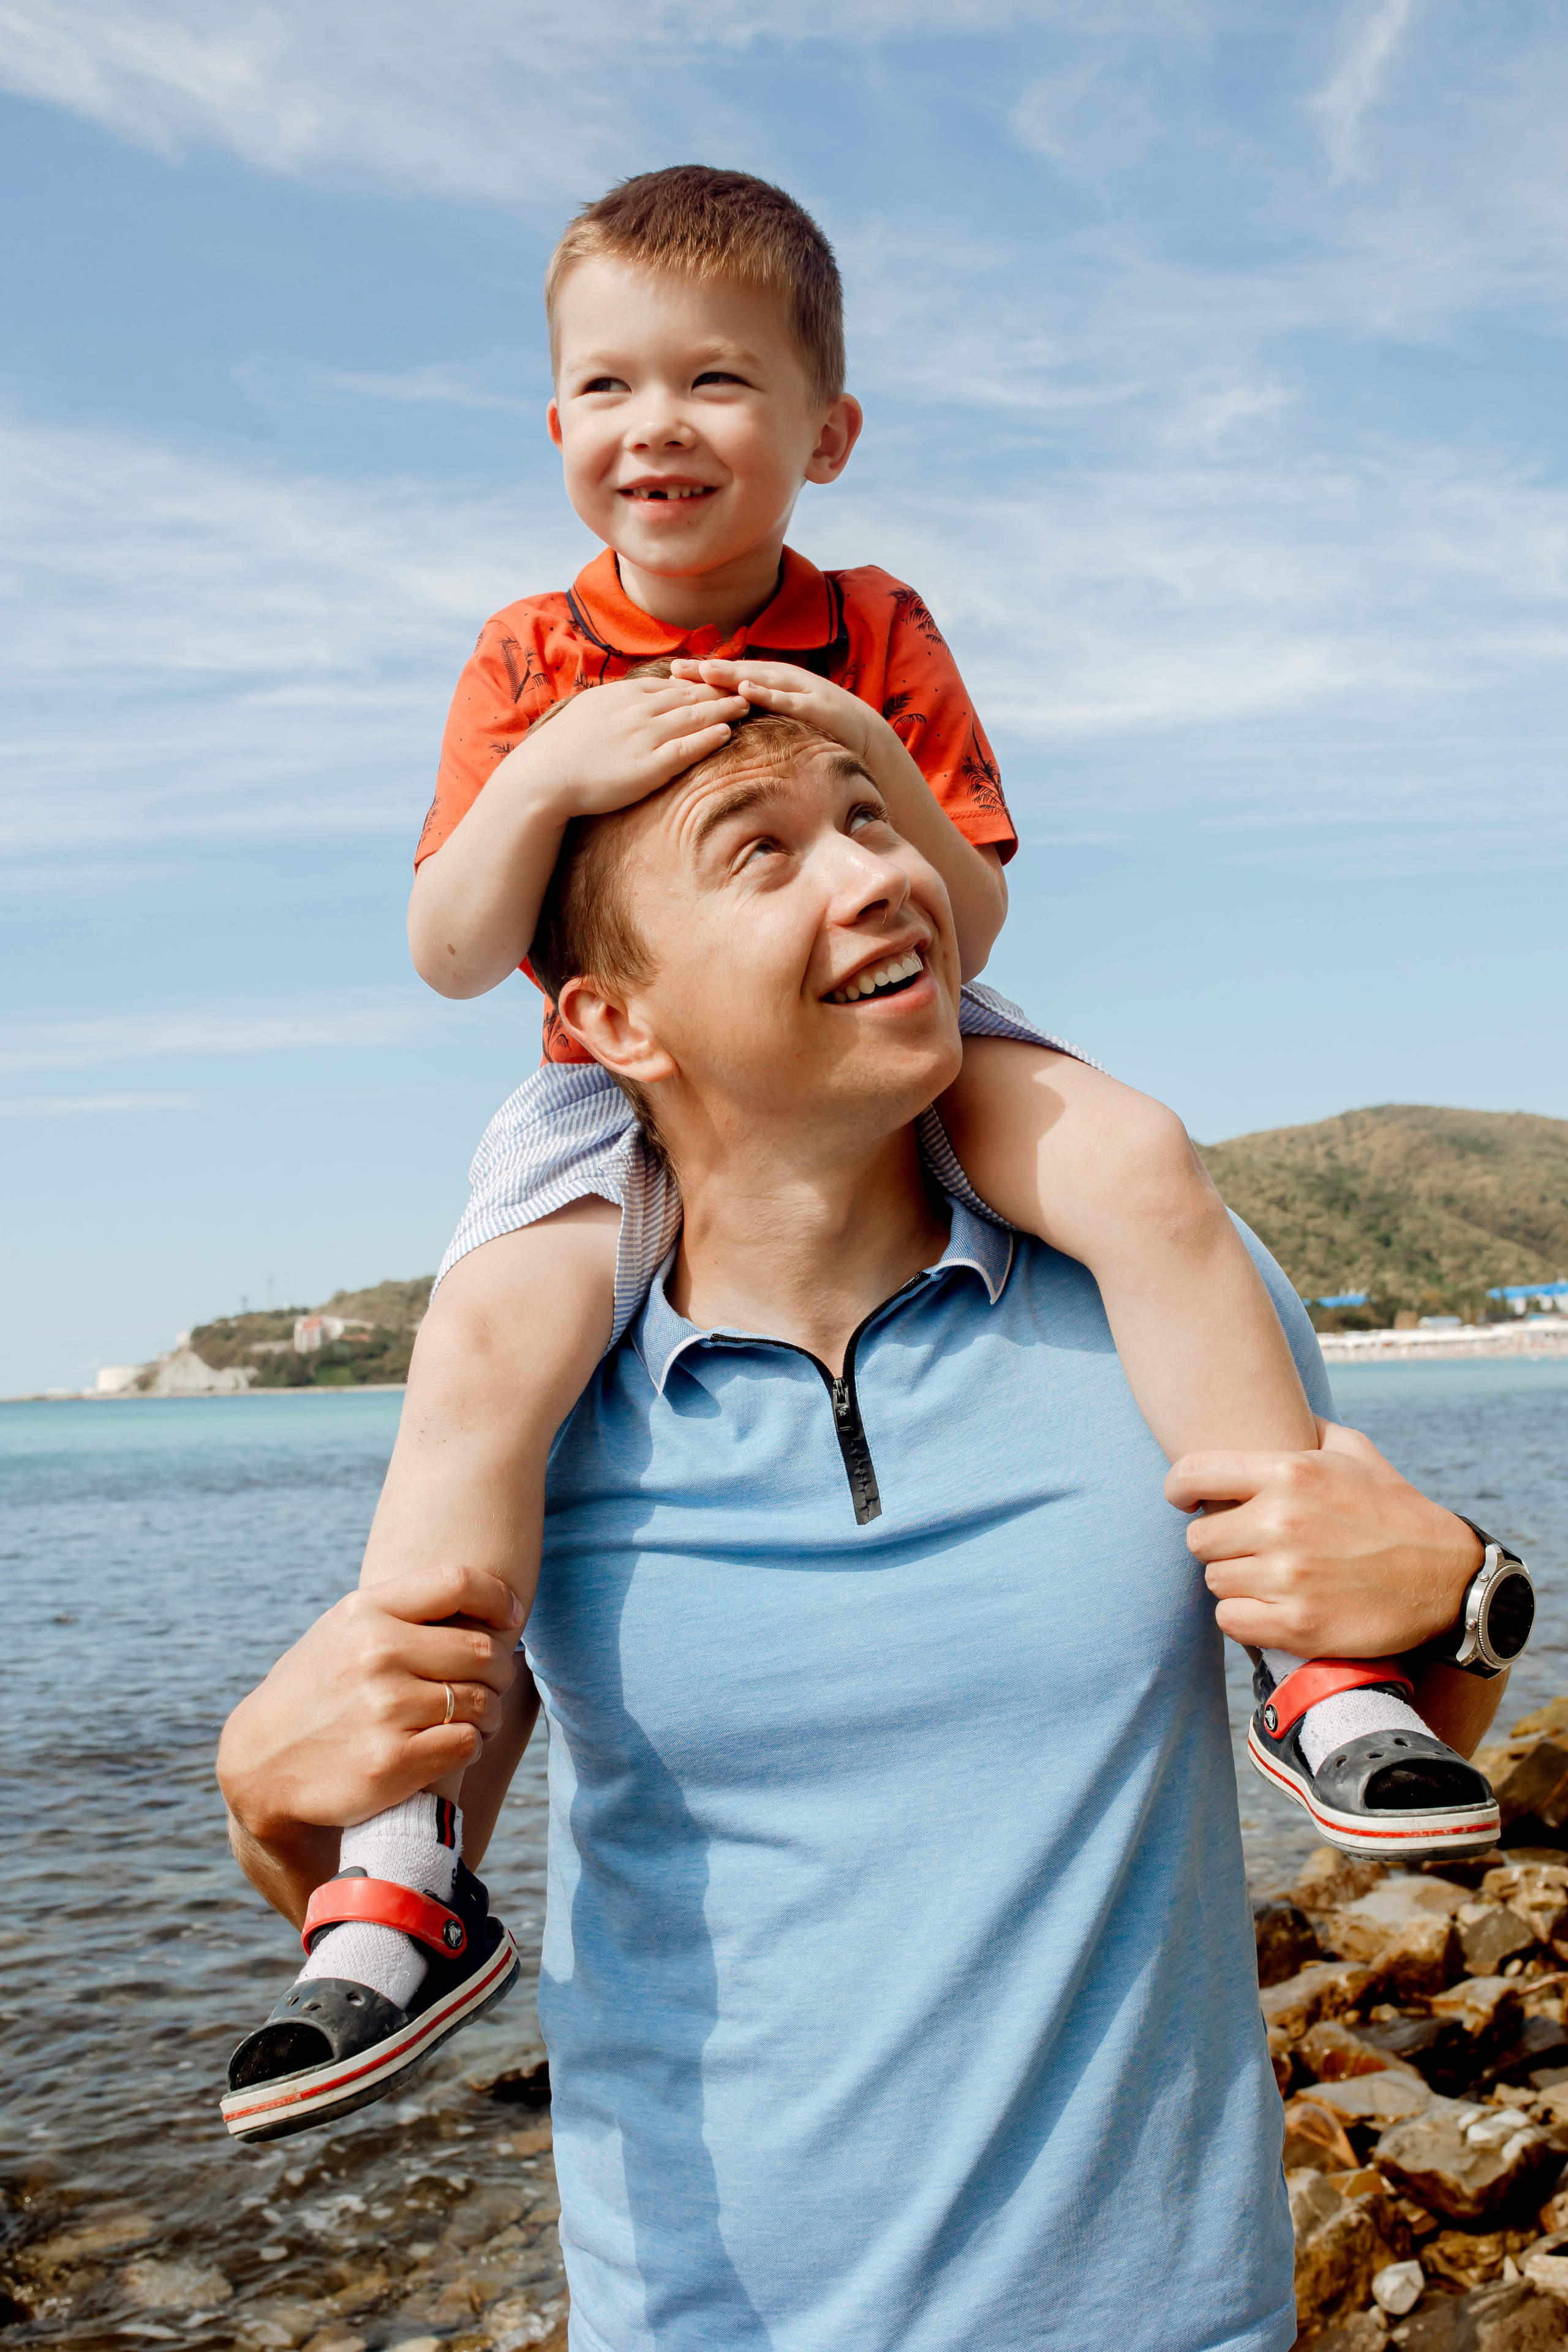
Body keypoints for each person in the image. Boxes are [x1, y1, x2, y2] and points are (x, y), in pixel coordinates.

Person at [221, 163, 1504, 2137]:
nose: (660, 426)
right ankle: (404, 1863)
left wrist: (855, 755)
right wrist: (554, 776)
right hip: (594, 1086)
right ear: (556, 424)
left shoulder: (877, 624)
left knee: (1143, 1158)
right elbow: (454, 949)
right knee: (488, 1338)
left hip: (932, 1021)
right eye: (608, 388)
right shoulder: (521, 663)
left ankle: (1318, 1671)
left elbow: (962, 918)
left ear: (822, 433)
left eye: (718, 383)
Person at [217, 707, 1518, 2346]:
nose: (879, 875)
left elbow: (1400, 1747)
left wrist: (1471, 1597)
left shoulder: (1164, 1284)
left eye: (870, 817)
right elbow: (419, 1854)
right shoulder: (544, 1401)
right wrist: (269, 1809)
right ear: (611, 1019)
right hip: (703, 2321)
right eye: (763, 854)